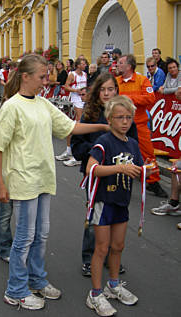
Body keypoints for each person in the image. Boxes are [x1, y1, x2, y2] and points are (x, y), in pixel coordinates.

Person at [0, 54, 110, 310]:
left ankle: (37, 279)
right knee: (24, 237)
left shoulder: (42, 104)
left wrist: (104, 127)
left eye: (47, 77)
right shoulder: (12, 107)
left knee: (41, 235)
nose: (46, 82)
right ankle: (16, 290)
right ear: (26, 77)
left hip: (43, 178)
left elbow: (70, 127)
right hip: (22, 181)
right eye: (42, 77)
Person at [85, 95, 149, 316]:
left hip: (122, 202)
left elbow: (139, 169)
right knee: (101, 248)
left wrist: (150, 171)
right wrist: (119, 169)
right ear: (109, 119)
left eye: (128, 117)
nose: (125, 121)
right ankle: (94, 294)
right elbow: (91, 169)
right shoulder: (103, 141)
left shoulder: (132, 143)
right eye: (120, 117)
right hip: (104, 202)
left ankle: (113, 285)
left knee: (118, 246)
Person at [71, 73, 138, 277]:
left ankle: (111, 258)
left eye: (111, 89)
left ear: (117, 91)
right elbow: (77, 148)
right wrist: (100, 149)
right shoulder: (89, 115)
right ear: (97, 91)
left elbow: (133, 146)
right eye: (103, 90)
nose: (107, 93)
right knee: (96, 217)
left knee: (116, 218)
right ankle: (90, 258)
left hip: (120, 177)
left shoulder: (124, 114)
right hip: (96, 176)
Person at [116, 54, 167, 198]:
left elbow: (150, 98)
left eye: (120, 63)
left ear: (129, 66)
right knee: (118, 154)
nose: (117, 65)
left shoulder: (142, 80)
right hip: (119, 126)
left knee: (148, 154)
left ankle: (153, 182)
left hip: (139, 124)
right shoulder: (115, 81)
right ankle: (118, 182)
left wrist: (130, 99)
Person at [56, 57, 87, 166]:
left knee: (78, 126)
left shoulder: (85, 74)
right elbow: (66, 86)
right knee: (76, 125)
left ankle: (74, 152)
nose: (85, 65)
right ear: (78, 65)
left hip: (83, 101)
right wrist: (76, 90)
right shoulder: (72, 74)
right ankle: (71, 152)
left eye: (85, 64)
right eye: (83, 64)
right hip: (75, 101)